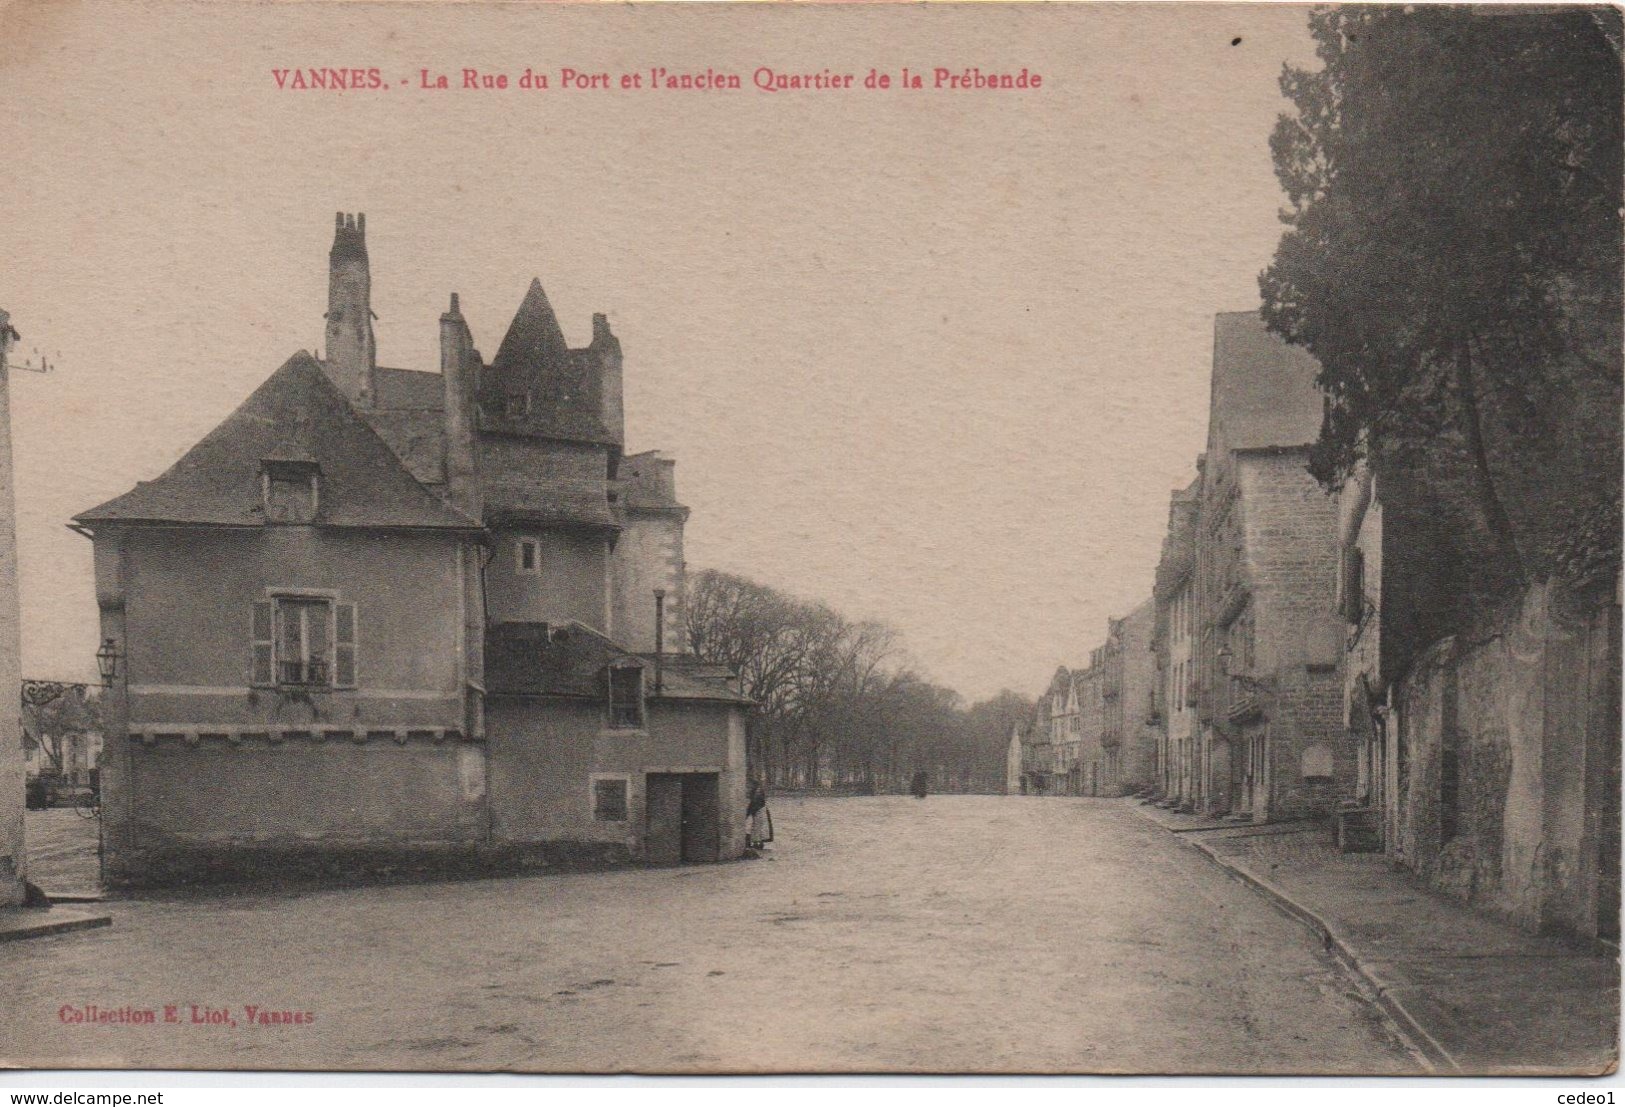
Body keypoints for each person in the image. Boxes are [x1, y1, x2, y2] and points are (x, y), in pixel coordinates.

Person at [746, 779, 771, 849]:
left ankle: (757, 842)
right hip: (759, 810)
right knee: (758, 827)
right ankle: (758, 842)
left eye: (751, 785)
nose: (749, 787)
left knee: (756, 827)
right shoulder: (757, 791)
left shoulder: (757, 792)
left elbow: (754, 803)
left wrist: (749, 813)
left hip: (758, 810)